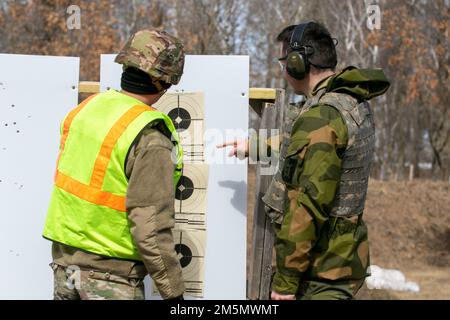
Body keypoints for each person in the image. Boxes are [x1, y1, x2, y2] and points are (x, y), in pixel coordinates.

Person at [219, 21, 390, 300]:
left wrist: (286, 281)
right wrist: (256, 146)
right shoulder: (348, 101)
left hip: (323, 274)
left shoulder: (321, 117)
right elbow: (309, 153)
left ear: (299, 62)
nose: (284, 70)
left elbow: (307, 205)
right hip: (341, 261)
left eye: (284, 62)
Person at [42, 29, 186, 300]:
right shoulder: (149, 136)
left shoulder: (88, 108)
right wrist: (174, 292)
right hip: (110, 278)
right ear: (165, 81)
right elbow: (150, 226)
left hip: (65, 268)